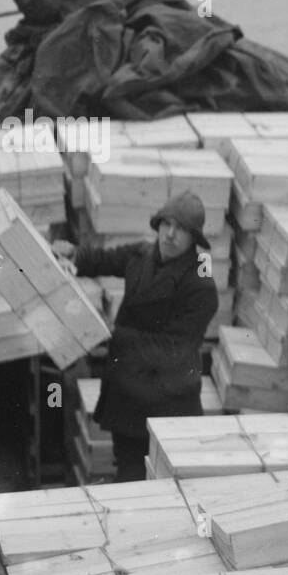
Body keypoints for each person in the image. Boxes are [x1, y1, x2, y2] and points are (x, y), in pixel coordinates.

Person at [52, 191, 218, 482]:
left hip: (168, 404)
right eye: (166, 224)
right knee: (128, 474)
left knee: (162, 485)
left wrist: (113, 338)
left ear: (194, 239)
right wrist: (74, 255)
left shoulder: (200, 286)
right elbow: (102, 260)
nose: (170, 234)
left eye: (181, 230)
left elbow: (174, 350)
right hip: (127, 399)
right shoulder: (141, 255)